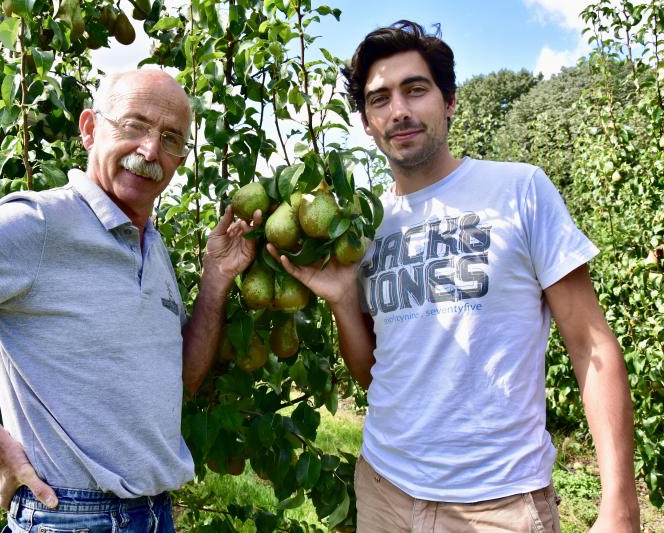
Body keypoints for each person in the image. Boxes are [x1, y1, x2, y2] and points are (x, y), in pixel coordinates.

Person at [269, 21, 640, 532]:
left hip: (500, 503)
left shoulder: (520, 190)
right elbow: (378, 374)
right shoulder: (365, 228)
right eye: (379, 99)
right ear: (366, 121)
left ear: (449, 101)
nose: (398, 110)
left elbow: (591, 345)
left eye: (415, 90)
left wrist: (620, 504)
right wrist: (340, 300)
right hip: (385, 489)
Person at [0, 69, 260, 532]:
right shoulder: (37, 224)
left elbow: (180, 382)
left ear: (180, 159)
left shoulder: (152, 247)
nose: (150, 150)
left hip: (154, 514)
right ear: (90, 129)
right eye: (134, 126)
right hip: (68, 516)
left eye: (171, 139)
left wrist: (215, 279)